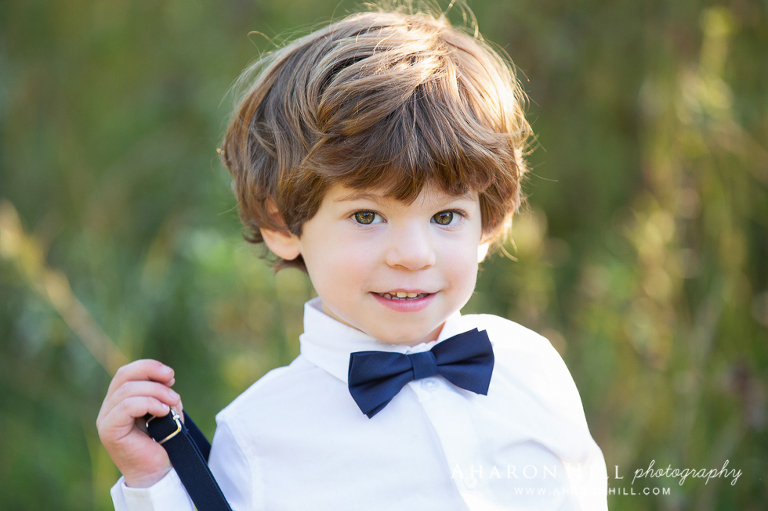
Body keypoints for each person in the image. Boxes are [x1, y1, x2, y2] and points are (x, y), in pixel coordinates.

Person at [97, 4, 608, 509]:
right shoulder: (259, 435)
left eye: (446, 215)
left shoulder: (532, 368)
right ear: (282, 223)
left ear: (488, 222)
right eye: (367, 216)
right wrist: (154, 484)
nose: (413, 256)